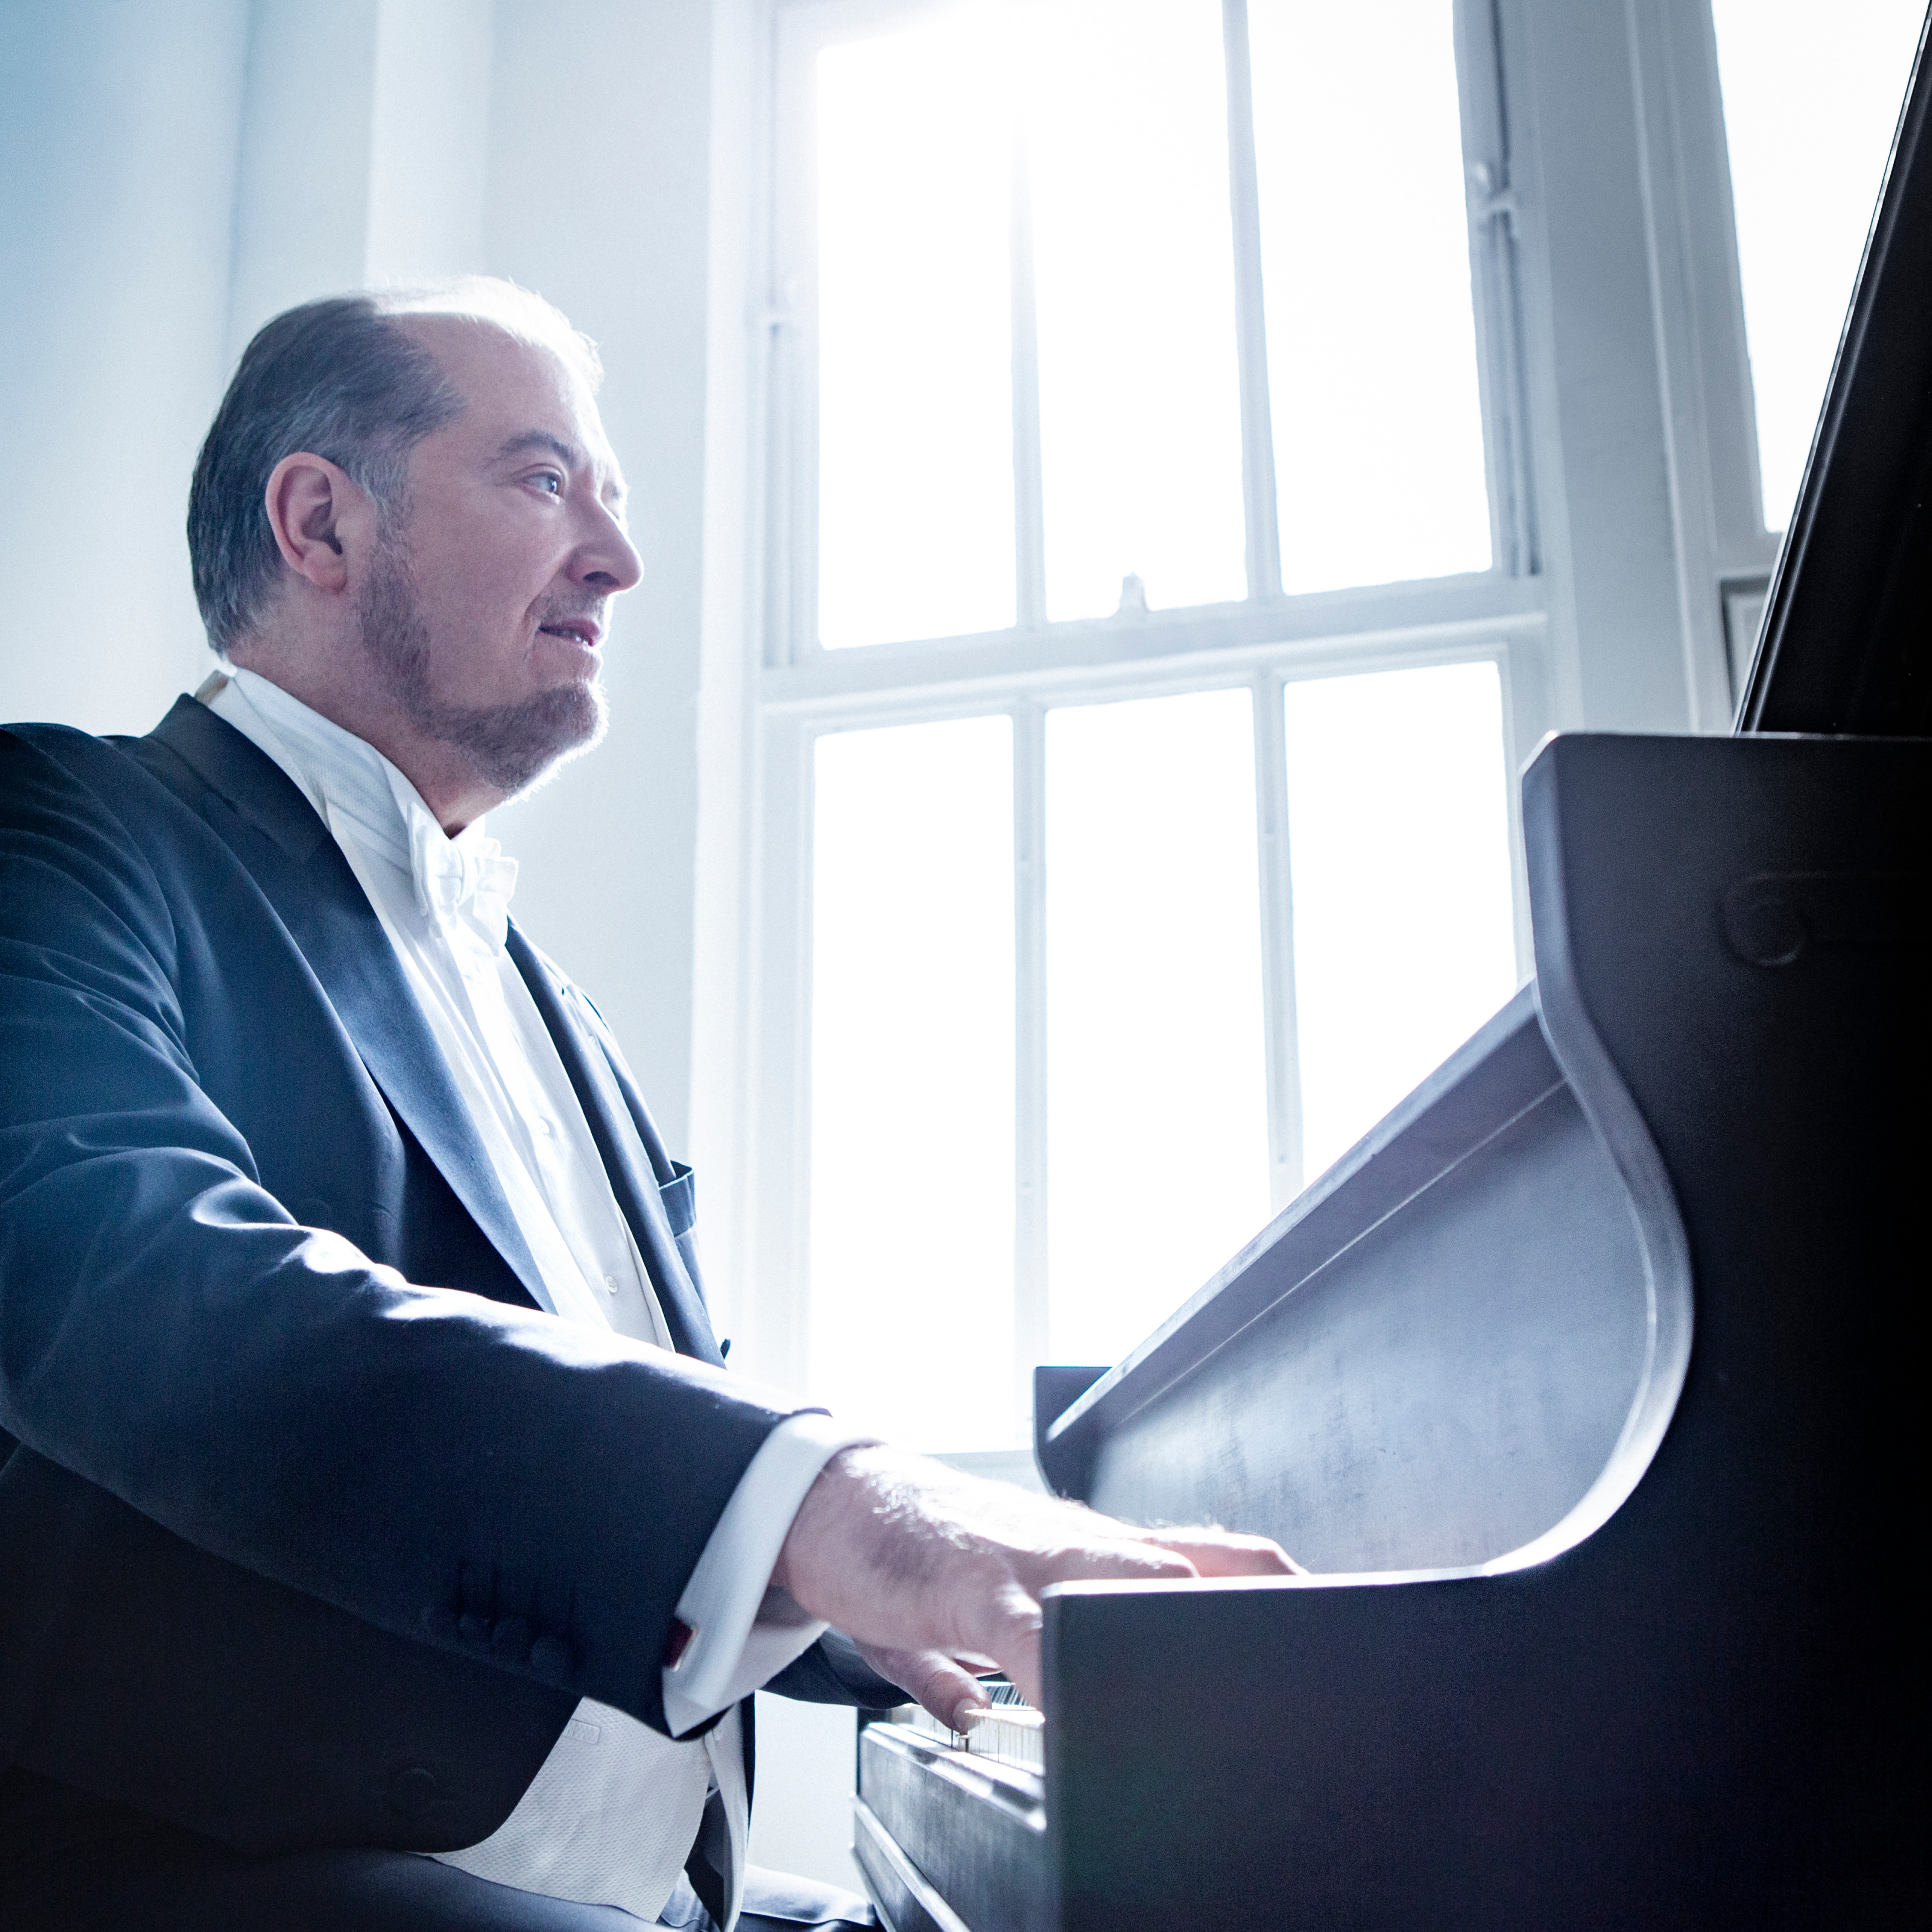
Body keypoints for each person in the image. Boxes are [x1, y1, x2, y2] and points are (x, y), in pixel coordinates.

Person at [0, 279, 1292, 1931]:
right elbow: (143, 1293)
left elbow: (630, 1457)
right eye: (545, 482)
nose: (616, 561)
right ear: (321, 521)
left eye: (612, 501)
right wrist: (829, 1504)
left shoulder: (553, 1003)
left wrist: (851, 1606)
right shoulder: (62, 826)